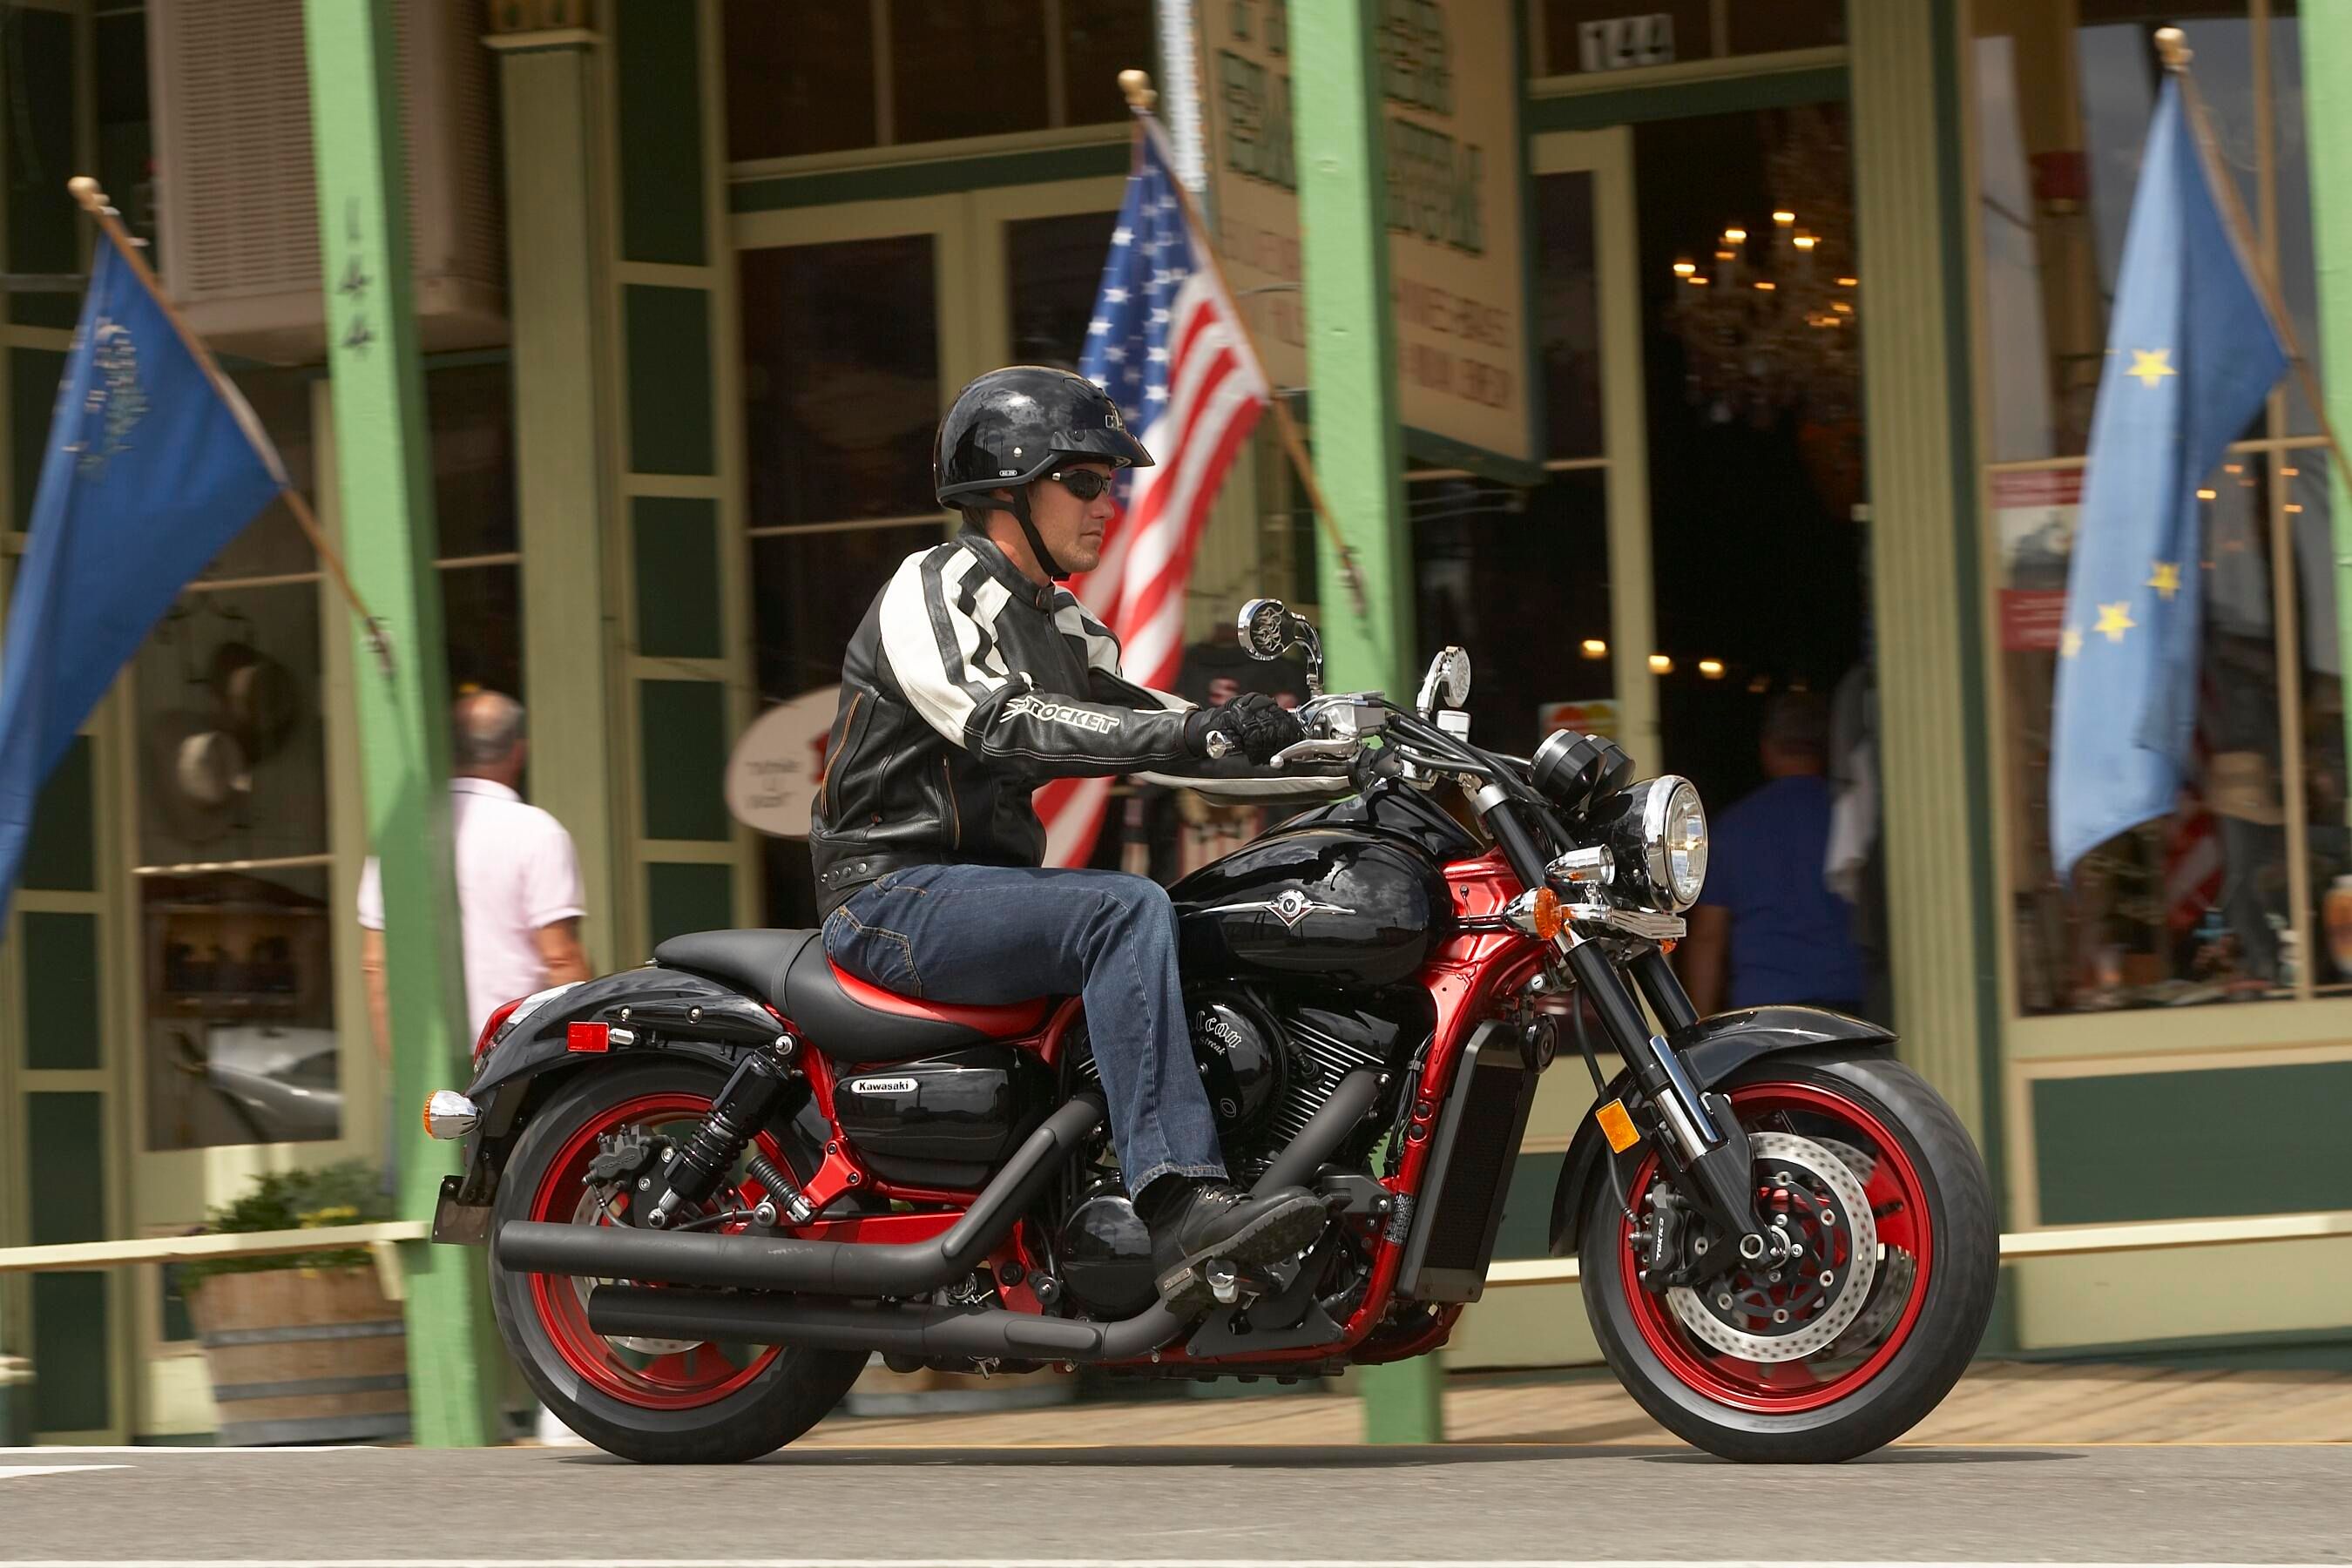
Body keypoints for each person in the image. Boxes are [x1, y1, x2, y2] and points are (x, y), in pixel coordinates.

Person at [809, 365, 1319, 1312]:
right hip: (893, 894)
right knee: (1124, 909)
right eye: (1084, 482)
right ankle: (1178, 1204)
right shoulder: (939, 584)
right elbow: (1002, 719)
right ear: (1008, 489)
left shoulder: (1062, 621)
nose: (1107, 505)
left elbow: (1157, 727)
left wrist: (1321, 747)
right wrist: (1193, 730)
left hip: (981, 897)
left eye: (1111, 485)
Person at [357, 692, 592, 1058]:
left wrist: (397, 1060)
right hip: (514, 1055)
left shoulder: (400, 834)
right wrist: (588, 1052)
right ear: (519, 752)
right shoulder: (537, 832)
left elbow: (375, 961)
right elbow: (560, 958)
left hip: (424, 1057)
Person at [1679, 691, 1868, 1017]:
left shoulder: (1733, 826)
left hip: (1765, 1008)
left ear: (1766, 748)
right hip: (1848, 1002)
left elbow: (1708, 938)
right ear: (1823, 748)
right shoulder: (1852, 819)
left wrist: (1700, 1030)